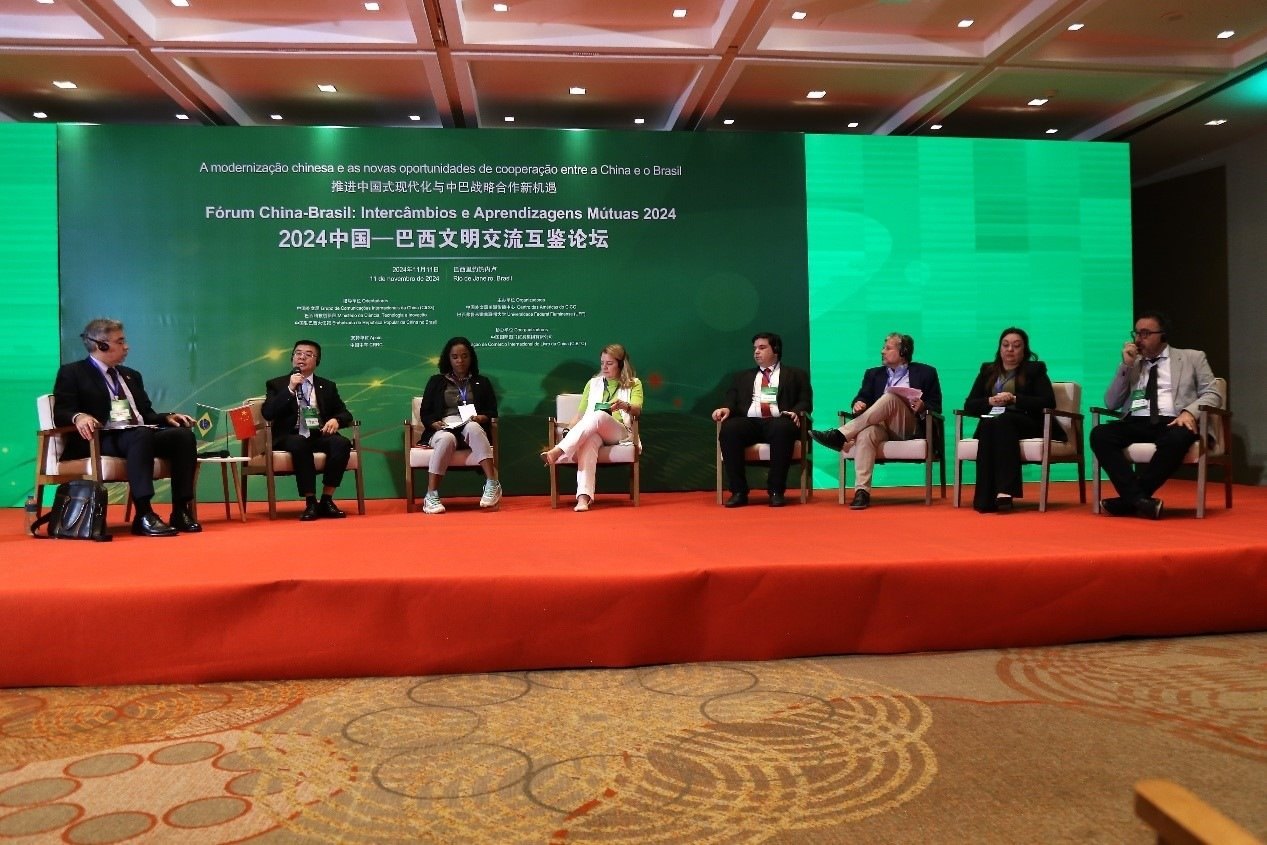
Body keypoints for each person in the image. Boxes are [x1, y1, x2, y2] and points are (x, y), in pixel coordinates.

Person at [52, 318, 201, 536]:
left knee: (182, 437)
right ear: (101, 345)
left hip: (138, 435)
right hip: (100, 439)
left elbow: (146, 414)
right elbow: (61, 411)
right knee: (141, 435)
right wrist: (79, 416)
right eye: (120, 342)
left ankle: (180, 510)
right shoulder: (73, 372)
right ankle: (144, 514)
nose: (127, 347)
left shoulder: (131, 375)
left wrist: (168, 417)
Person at [1090, 310, 1221, 520]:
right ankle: (1140, 500)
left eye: (1145, 333)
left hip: (1173, 420)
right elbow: (1111, 402)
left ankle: (1130, 500)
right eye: (1136, 333)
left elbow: (1213, 393)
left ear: (1163, 335)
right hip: (1136, 420)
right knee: (1100, 434)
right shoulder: (1132, 364)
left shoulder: (1192, 357)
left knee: (1178, 437)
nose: (1138, 339)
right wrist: (1125, 366)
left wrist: (1189, 412)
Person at [809, 332, 942, 509]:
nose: (882, 351)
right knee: (866, 433)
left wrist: (923, 406)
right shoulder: (873, 374)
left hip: (908, 427)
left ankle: (840, 435)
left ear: (903, 352)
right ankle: (862, 492)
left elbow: (936, 406)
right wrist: (858, 403)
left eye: (888, 348)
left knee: (891, 397)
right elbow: (862, 396)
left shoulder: (926, 372)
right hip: (880, 427)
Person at [961, 327, 1061, 513]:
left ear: (1024, 350)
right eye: (1005, 345)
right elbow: (970, 404)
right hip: (994, 422)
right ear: (999, 348)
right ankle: (985, 499)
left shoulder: (1035, 370)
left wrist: (1015, 399)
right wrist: (989, 401)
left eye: (1016, 346)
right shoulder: (987, 370)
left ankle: (1006, 490)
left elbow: (1048, 401)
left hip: (1027, 422)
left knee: (1002, 420)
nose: (1010, 350)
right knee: (991, 422)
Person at [711, 332, 812, 508]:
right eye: (755, 348)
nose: (756, 352)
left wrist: (795, 412)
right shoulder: (742, 377)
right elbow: (731, 400)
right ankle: (738, 492)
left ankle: (776, 491)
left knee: (782, 428)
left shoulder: (796, 375)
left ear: (776, 350)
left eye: (762, 347)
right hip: (750, 422)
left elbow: (805, 401)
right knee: (730, 429)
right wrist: (725, 408)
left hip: (779, 420)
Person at [541, 344, 643, 512]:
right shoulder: (593, 384)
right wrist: (567, 431)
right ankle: (583, 498)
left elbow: (637, 410)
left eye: (609, 363)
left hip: (620, 432)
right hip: (594, 431)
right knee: (589, 441)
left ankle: (559, 451)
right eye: (602, 363)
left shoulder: (634, 384)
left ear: (621, 364)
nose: (604, 367)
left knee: (599, 415)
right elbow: (580, 415)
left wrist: (624, 405)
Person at [262, 339, 355, 520]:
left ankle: (326, 500)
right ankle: (310, 501)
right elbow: (268, 413)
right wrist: (290, 388)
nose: (302, 357)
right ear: (292, 358)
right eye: (298, 353)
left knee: (342, 443)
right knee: (300, 443)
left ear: (316, 361)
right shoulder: (277, 384)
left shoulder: (327, 386)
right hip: (289, 436)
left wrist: (336, 420)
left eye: (308, 354)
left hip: (317, 434)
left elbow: (345, 413)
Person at [417, 336, 501, 514]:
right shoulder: (436, 381)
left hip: (469, 425)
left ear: (471, 357)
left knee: (473, 427)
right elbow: (425, 412)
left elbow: (492, 411)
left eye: (464, 356)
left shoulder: (482, 382)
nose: (460, 361)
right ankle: (431, 496)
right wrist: (434, 423)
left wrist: (481, 418)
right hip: (444, 428)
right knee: (446, 439)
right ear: (448, 359)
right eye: (455, 357)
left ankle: (492, 484)